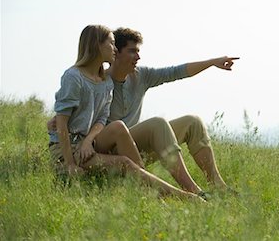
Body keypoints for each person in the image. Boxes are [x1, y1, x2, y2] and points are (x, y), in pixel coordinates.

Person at [49, 24, 202, 201]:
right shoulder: (73, 77)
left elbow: (101, 118)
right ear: (97, 45)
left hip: (87, 145)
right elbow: (60, 122)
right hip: (66, 151)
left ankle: (159, 195)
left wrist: (88, 141)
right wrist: (69, 164)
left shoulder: (105, 82)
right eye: (111, 44)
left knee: (119, 128)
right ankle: (183, 197)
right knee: (124, 162)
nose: (115, 49)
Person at [106, 27, 239, 195]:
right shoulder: (100, 81)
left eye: (138, 51)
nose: (138, 57)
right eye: (132, 51)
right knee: (157, 124)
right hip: (113, 153)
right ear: (116, 53)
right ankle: (195, 193)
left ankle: (219, 187)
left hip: (136, 147)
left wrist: (212, 62)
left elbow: (176, 72)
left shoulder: (141, 76)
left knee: (193, 122)